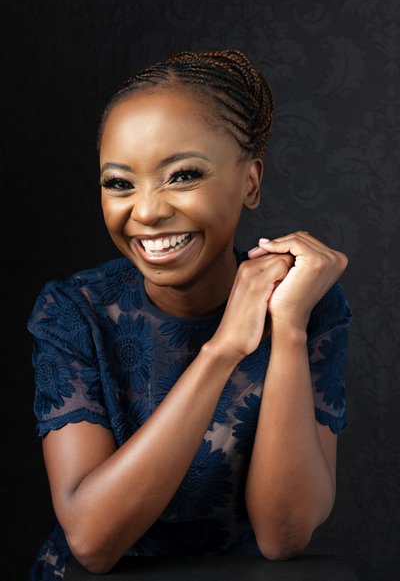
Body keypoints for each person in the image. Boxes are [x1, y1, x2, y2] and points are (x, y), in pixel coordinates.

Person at [28, 50, 352, 580]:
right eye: (119, 183)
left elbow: (283, 534)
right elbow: (91, 541)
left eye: (182, 176)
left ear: (250, 182)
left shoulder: (310, 304)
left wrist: (288, 329)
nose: (148, 210)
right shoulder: (74, 311)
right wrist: (224, 349)